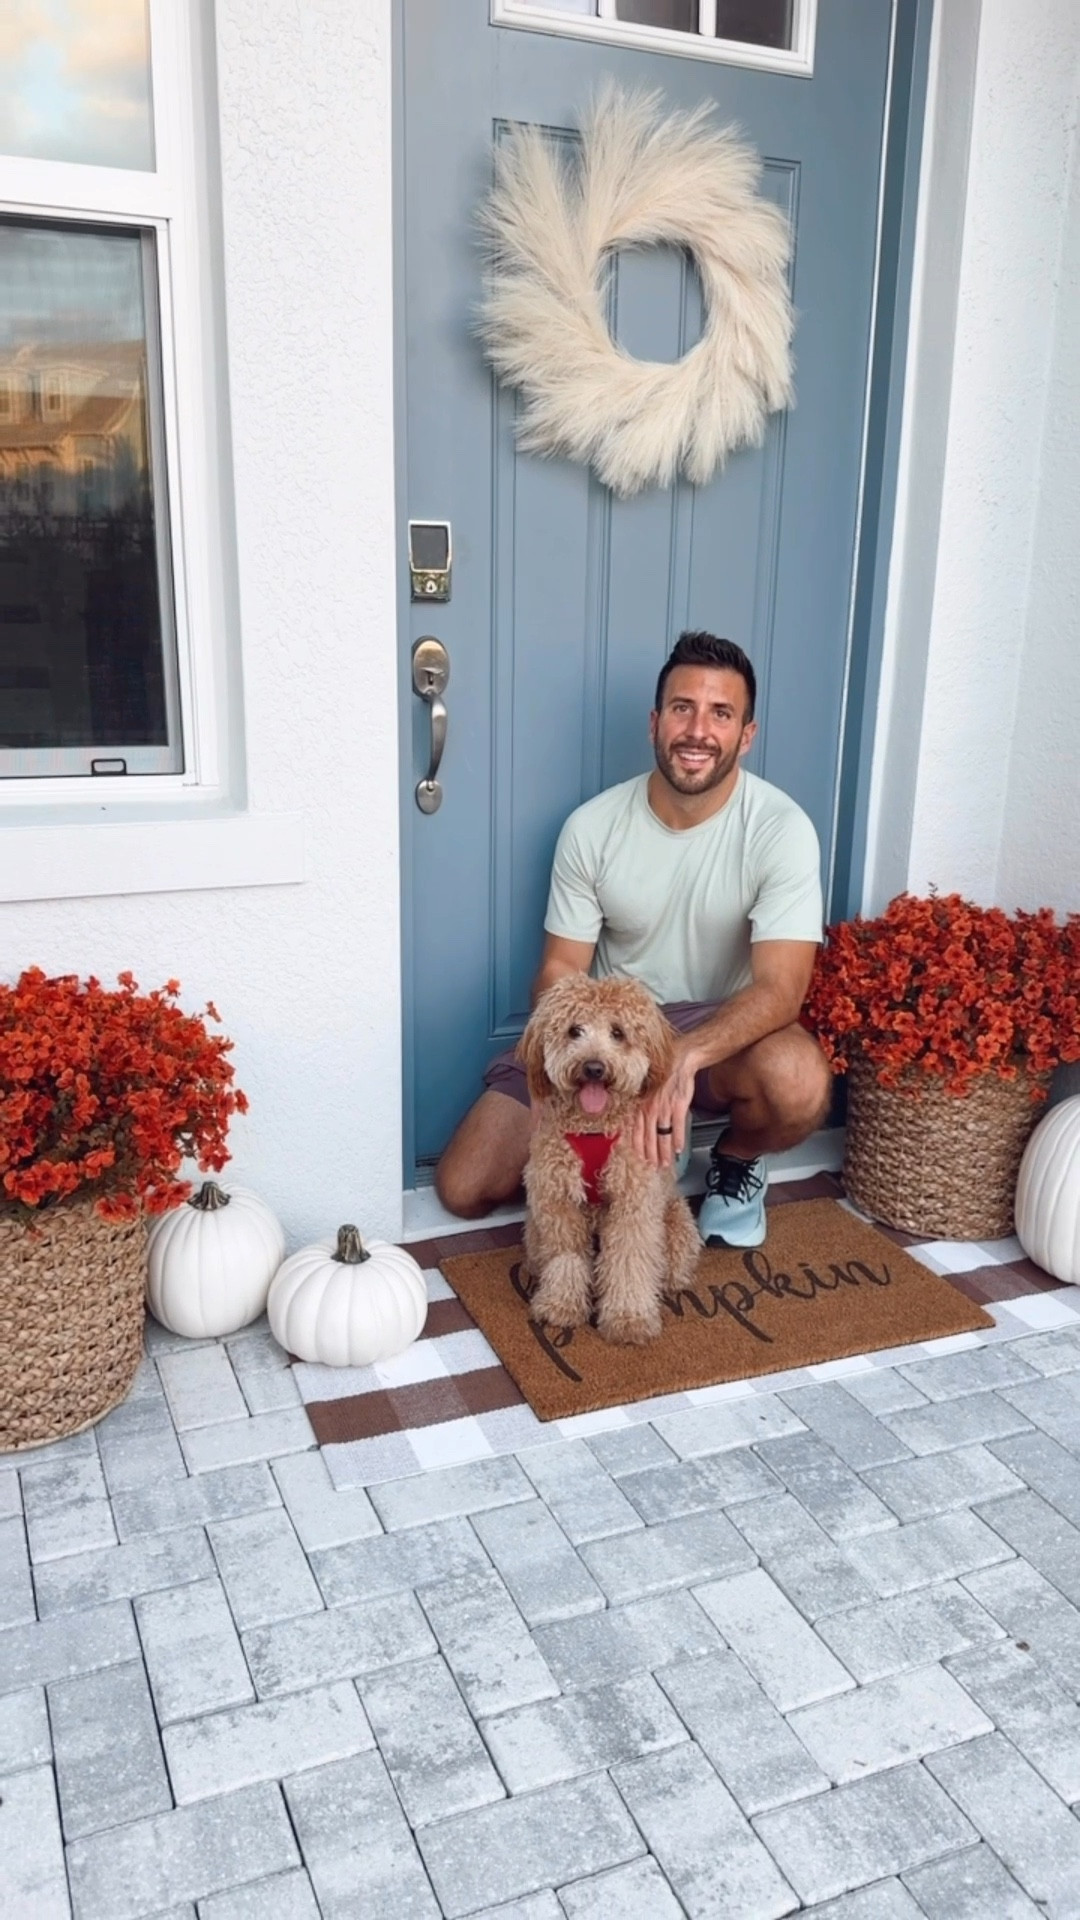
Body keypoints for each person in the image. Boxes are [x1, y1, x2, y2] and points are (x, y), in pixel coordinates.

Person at [435, 631, 832, 1247]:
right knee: (464, 1187)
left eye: (720, 714)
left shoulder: (781, 830)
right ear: (655, 722)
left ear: (746, 735)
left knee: (799, 1081)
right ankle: (620, 1153)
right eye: (682, 708)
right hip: (606, 1029)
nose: (698, 730)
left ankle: (735, 1160)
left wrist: (679, 1060)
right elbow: (560, 967)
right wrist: (555, 1062)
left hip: (717, 1033)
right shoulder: (593, 827)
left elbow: (783, 989)